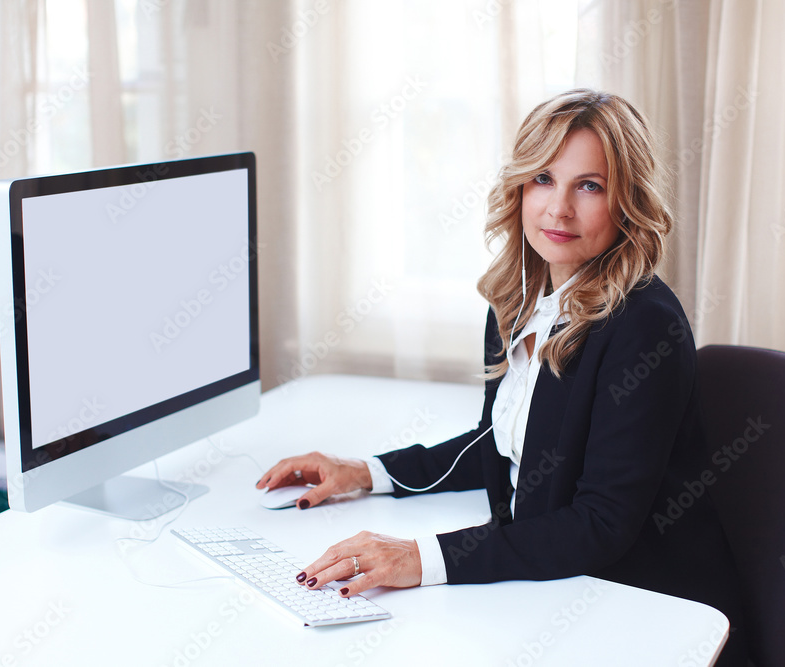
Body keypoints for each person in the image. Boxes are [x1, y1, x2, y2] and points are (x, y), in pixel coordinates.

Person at [258, 89, 748, 665]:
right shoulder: (519, 300)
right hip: (552, 589)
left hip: (637, 607)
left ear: (628, 202)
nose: (558, 209)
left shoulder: (644, 327)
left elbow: (602, 525)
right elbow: (502, 441)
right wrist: (366, 472)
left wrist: (425, 559)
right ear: (518, 187)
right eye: (543, 178)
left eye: (589, 186)